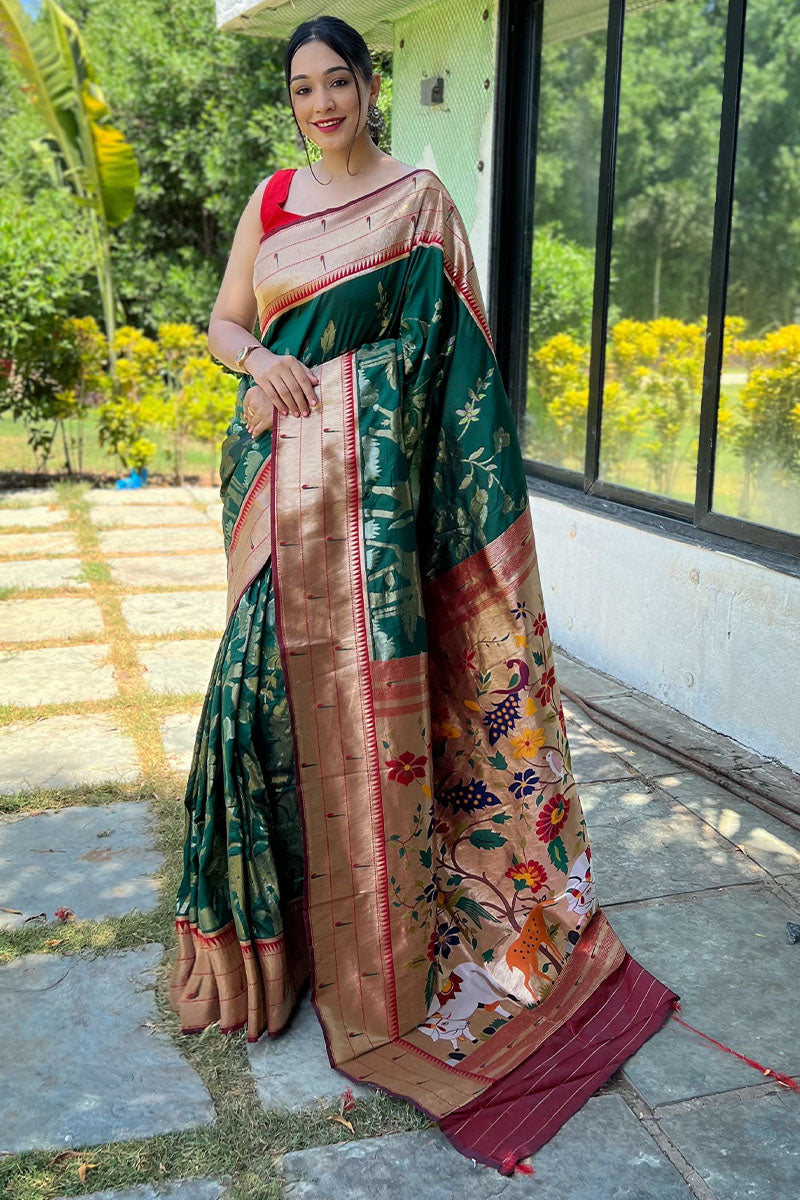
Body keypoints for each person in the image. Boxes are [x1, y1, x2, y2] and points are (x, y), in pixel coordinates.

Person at [169, 14, 677, 1174]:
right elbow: (224, 320)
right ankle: (276, 950)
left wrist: (342, 383)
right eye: (300, 87)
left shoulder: (418, 204)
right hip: (277, 496)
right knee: (250, 708)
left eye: (334, 80)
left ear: (365, 84)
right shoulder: (272, 200)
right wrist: (257, 362)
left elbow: (456, 371)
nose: (318, 103)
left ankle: (372, 946)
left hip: (376, 513)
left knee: (368, 721)